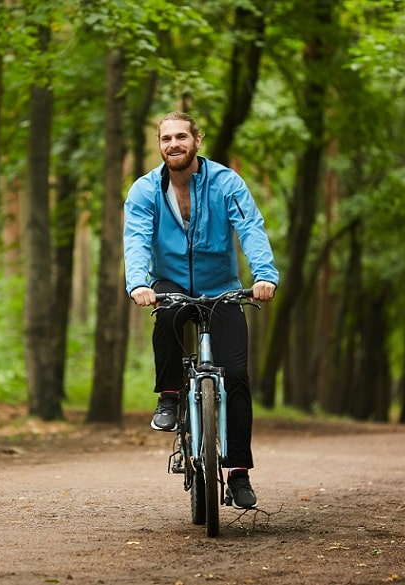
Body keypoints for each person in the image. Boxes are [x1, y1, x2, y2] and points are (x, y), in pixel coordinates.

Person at [123, 112, 278, 509]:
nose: (173, 144)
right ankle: (170, 397)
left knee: (238, 376)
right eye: (165, 139)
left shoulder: (226, 183)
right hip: (171, 282)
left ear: (197, 140)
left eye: (180, 137)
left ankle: (239, 472)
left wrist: (264, 275)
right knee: (169, 315)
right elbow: (137, 237)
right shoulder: (145, 190)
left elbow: (251, 228)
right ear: (159, 145)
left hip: (221, 286)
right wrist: (138, 283)